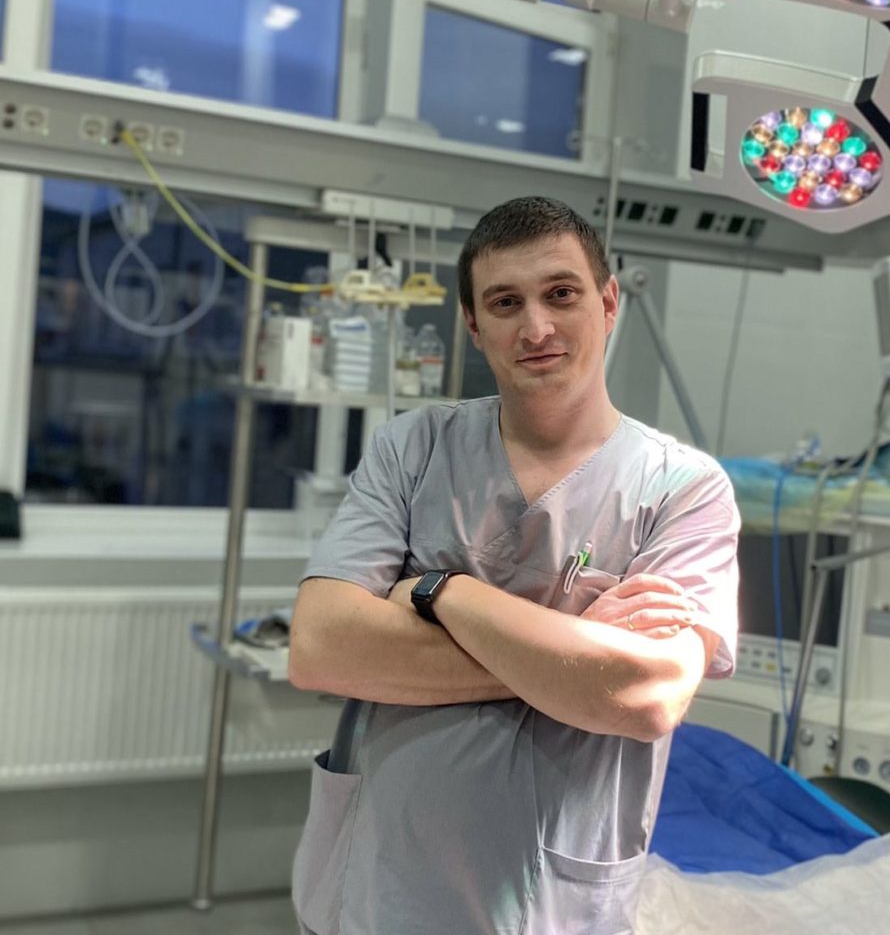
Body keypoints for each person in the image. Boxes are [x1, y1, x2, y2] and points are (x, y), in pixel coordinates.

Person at [288, 196, 740, 935]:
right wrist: (575, 649)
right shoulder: (416, 449)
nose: (536, 328)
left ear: (608, 301)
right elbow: (320, 648)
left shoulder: (681, 490)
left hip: (548, 906)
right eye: (505, 303)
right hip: (374, 888)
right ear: (473, 324)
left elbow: (649, 695)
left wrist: (446, 591)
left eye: (561, 294)